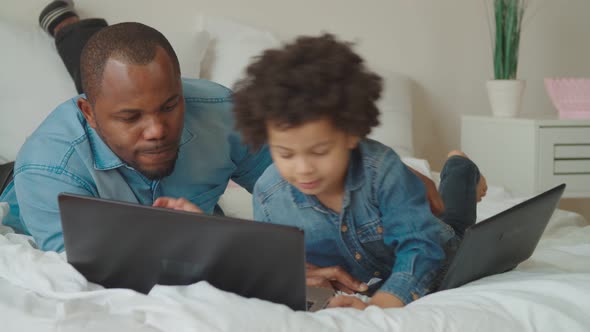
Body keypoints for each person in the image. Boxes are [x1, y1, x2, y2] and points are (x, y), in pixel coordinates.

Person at [158, 34, 488, 309]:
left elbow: (422, 248)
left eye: (319, 151)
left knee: (456, 224)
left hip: (437, 255)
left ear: (351, 134)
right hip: (366, 278)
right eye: (285, 153)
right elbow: (277, 268)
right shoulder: (269, 193)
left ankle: (460, 168)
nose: (302, 169)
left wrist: (384, 303)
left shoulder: (382, 170)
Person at [0, 3, 274, 252]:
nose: (157, 130)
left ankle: (69, 28)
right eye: (131, 117)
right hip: (13, 177)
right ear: (89, 115)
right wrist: (200, 239)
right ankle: (67, 28)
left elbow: (290, 188)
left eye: (169, 106)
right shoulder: (47, 169)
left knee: (117, 83)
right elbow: (95, 280)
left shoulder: (224, 114)